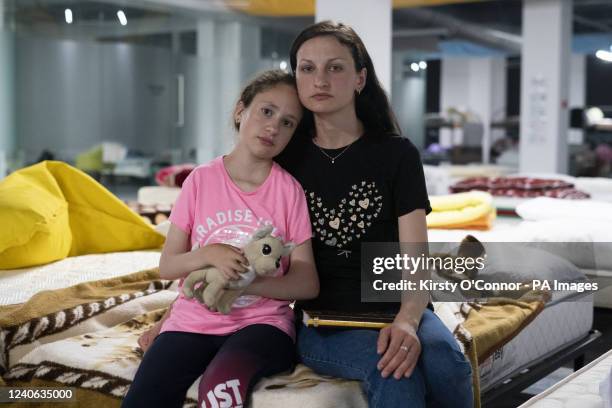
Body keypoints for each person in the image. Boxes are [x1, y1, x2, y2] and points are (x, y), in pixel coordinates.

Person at [274, 21, 474, 408]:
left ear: (360, 78)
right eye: (307, 68)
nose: (320, 80)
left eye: (335, 67)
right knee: (395, 374)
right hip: (325, 320)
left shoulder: (397, 154)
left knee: (446, 361)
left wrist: (407, 320)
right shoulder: (286, 159)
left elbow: (415, 255)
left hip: (397, 302)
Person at [122, 70, 319, 408]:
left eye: (288, 123)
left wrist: (247, 283)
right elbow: (168, 266)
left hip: (262, 326)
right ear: (241, 111)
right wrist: (210, 254)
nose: (274, 126)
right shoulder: (200, 181)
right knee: (143, 397)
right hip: (192, 322)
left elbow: (307, 283)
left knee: (220, 386)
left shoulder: (290, 192)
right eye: (266, 111)